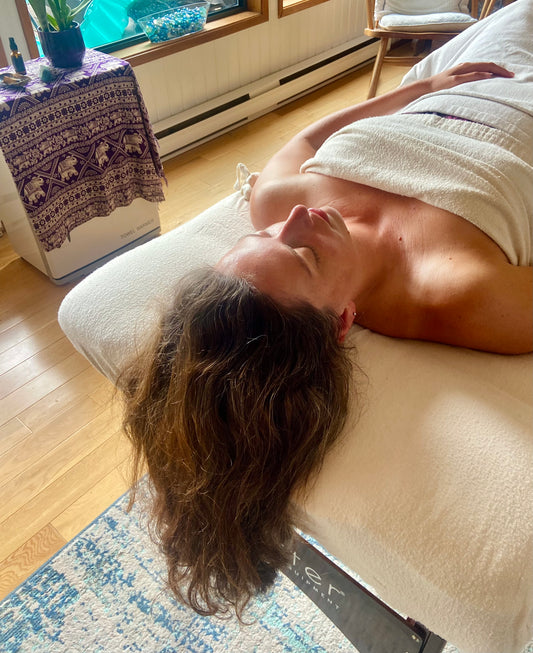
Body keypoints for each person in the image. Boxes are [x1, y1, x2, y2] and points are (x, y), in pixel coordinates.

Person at [121, 0, 532, 621]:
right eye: (305, 255)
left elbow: (308, 139)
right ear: (343, 320)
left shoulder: (275, 202)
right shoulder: (459, 292)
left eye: (262, 237)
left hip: (452, 81)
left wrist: (421, 87)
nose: (296, 218)